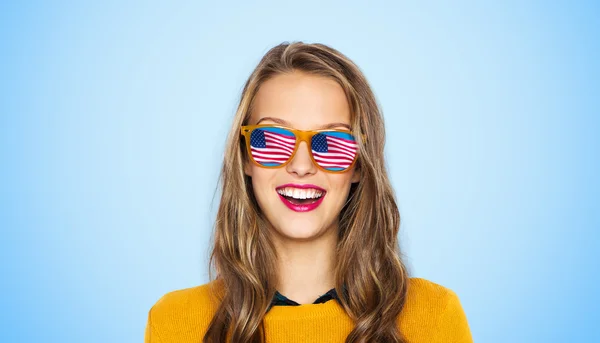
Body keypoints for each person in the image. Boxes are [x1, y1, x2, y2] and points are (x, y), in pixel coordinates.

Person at [145, 41, 473, 343]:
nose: (302, 165)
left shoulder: (434, 317)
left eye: (331, 143)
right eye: (272, 138)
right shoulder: (175, 322)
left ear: (359, 164)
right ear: (245, 156)